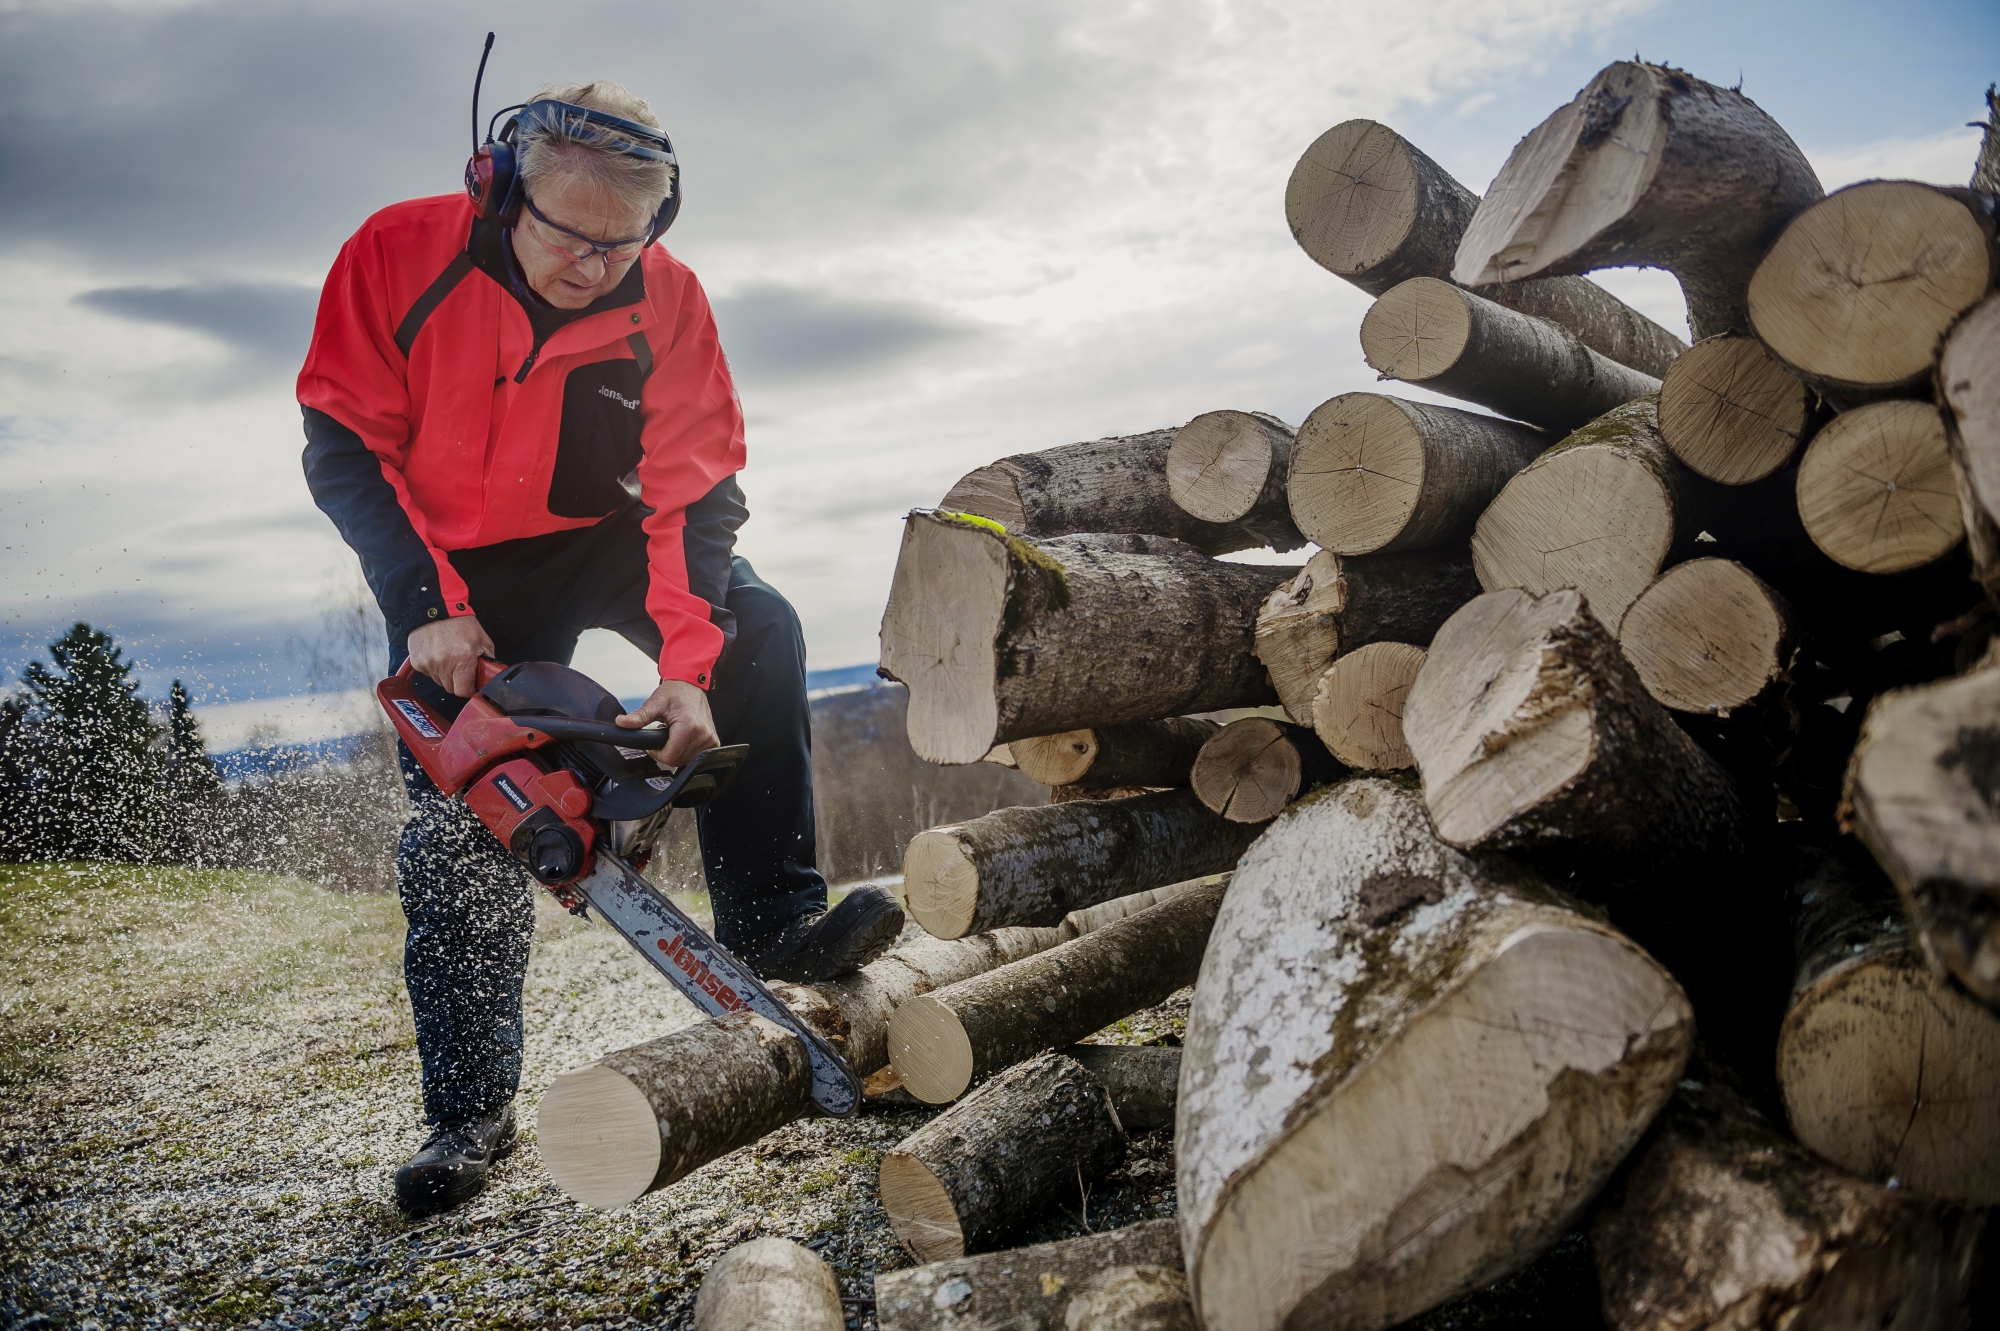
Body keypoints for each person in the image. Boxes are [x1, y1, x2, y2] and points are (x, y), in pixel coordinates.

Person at [297, 79, 903, 1216]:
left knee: (757, 628)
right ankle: (467, 1110)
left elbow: (698, 491)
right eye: (569, 237)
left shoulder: (665, 297)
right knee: (459, 819)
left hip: (604, 532)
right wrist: (424, 598)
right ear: (501, 186)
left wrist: (686, 665)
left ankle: (772, 919)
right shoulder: (395, 255)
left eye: (621, 243)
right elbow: (343, 443)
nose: (594, 265)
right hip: (456, 575)